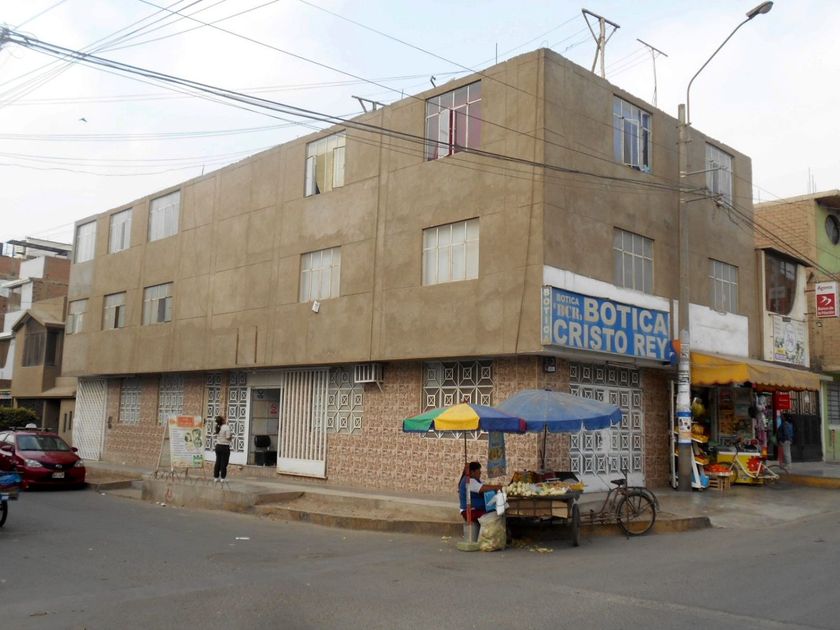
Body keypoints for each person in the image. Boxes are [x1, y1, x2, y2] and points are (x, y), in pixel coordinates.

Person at [213, 415, 232, 482]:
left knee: (218, 461)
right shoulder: (226, 427)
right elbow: (228, 437)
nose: (225, 419)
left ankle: (216, 477)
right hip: (225, 447)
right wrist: (231, 437)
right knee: (224, 462)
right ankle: (222, 478)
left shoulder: (217, 426)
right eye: (224, 419)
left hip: (218, 446)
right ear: (223, 421)